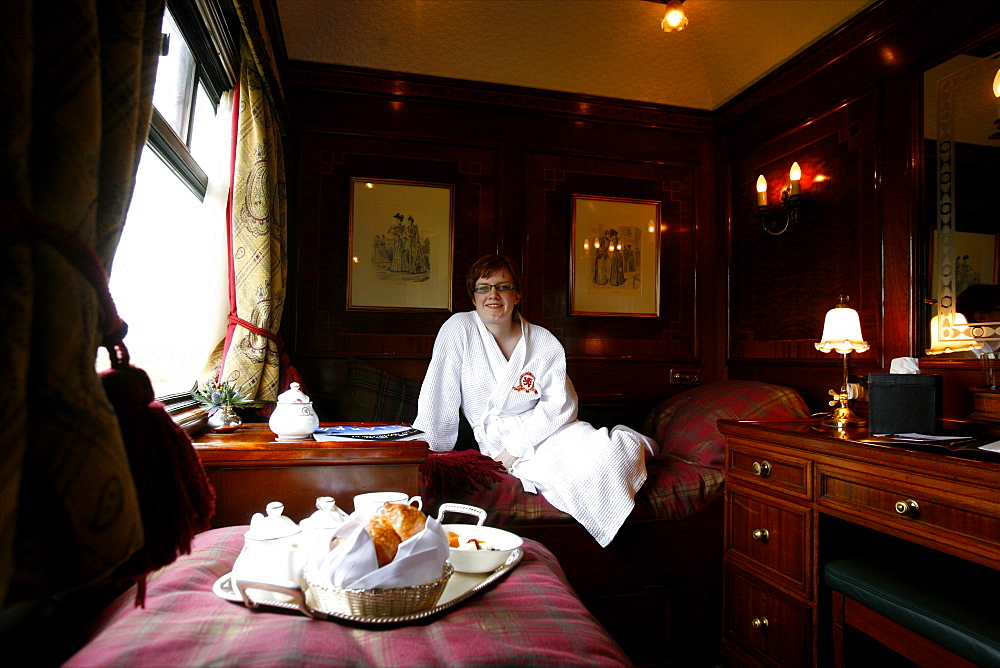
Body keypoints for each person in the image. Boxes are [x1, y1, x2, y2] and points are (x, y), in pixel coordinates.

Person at [414, 254, 658, 547]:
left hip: (552, 429)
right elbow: (438, 393)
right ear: (474, 297)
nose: (493, 295)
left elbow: (559, 404)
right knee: (574, 473)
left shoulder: (542, 340)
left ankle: (631, 443)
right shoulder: (458, 329)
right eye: (483, 287)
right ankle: (626, 442)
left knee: (607, 457)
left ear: (517, 295)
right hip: (500, 439)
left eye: (503, 286)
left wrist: (516, 449)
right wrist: (423, 450)